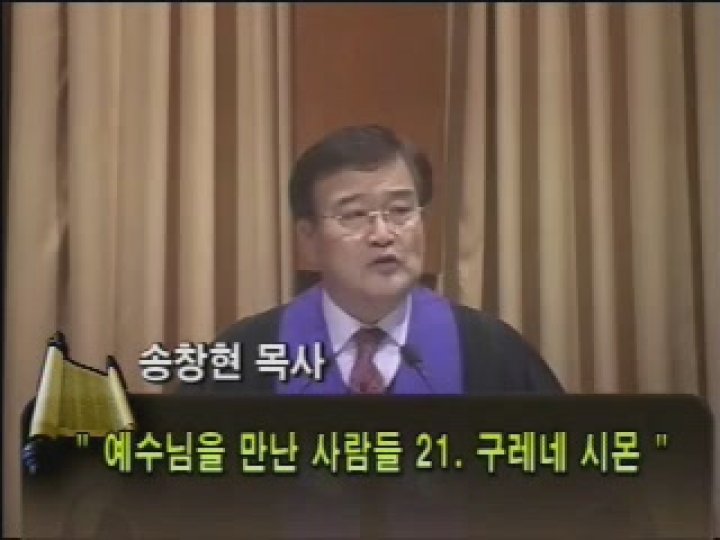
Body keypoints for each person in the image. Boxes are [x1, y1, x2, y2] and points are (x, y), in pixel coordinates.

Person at [200, 125, 562, 395]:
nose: (383, 234)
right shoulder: (248, 354)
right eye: (354, 215)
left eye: (401, 211)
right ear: (309, 239)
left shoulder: (490, 352)